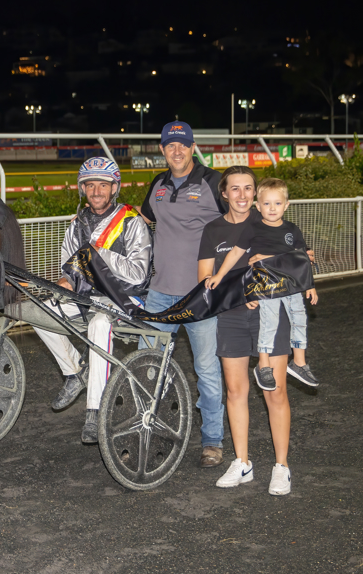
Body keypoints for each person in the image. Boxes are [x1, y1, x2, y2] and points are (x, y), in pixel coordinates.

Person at [197, 167, 310, 495]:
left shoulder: (273, 221)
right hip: (231, 317)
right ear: (224, 193)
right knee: (235, 392)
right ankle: (242, 462)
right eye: (235, 188)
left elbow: (301, 263)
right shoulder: (213, 230)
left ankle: (281, 466)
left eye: (248, 187)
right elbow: (205, 280)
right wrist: (241, 290)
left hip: (272, 316)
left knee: (275, 392)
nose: (243, 194)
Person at [34, 157, 152, 443]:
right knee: (40, 309)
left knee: (100, 323)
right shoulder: (76, 225)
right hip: (89, 297)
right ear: (82, 189)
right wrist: (66, 280)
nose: (96, 191)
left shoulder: (132, 222)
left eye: (103, 185)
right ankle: (75, 372)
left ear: (114, 188)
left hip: (126, 299)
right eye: (90, 185)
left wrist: (98, 254)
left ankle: (95, 411)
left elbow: (138, 275)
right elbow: (69, 269)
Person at [137, 121, 228, 468]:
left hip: (200, 296)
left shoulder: (212, 182)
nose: (177, 151)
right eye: (170, 145)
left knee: (207, 371)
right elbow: (141, 219)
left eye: (183, 145)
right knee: (147, 369)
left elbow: (240, 220)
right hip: (159, 295)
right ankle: (146, 430)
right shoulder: (157, 184)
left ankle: (212, 442)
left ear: (192, 147)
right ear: (162, 150)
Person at [206, 177, 319, 391]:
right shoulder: (253, 229)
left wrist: (309, 285)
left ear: (286, 205)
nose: (272, 208)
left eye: (277, 203)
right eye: (267, 203)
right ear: (258, 206)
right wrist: (219, 275)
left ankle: (299, 361)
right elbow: (235, 253)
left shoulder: (292, 230)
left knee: (299, 318)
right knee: (269, 322)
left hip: (291, 284)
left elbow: (301, 260)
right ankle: (264, 364)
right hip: (267, 286)